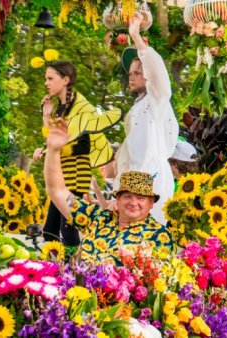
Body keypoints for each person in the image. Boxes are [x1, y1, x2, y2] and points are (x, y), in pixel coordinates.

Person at [44, 119, 173, 265]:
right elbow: (57, 191)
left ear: (151, 203)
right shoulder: (98, 218)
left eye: (140, 198)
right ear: (117, 199)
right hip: (77, 285)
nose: (133, 202)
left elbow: (153, 283)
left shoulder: (159, 236)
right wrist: (53, 150)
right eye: (127, 196)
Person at [32, 60, 123, 246]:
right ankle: (57, 268)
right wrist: (46, 117)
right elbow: (54, 138)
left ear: (65, 80)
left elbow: (74, 143)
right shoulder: (60, 108)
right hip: (61, 174)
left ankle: (74, 270)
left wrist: (52, 148)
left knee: (68, 228)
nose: (46, 83)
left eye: (50, 78)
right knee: (51, 230)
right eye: (45, 79)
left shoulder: (83, 109)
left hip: (75, 177)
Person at [114, 13, 179, 225]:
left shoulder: (157, 99)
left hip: (152, 184)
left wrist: (135, 36)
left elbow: (158, 73)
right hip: (133, 187)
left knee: (149, 244)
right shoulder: (139, 105)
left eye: (138, 72)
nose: (131, 77)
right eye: (130, 73)